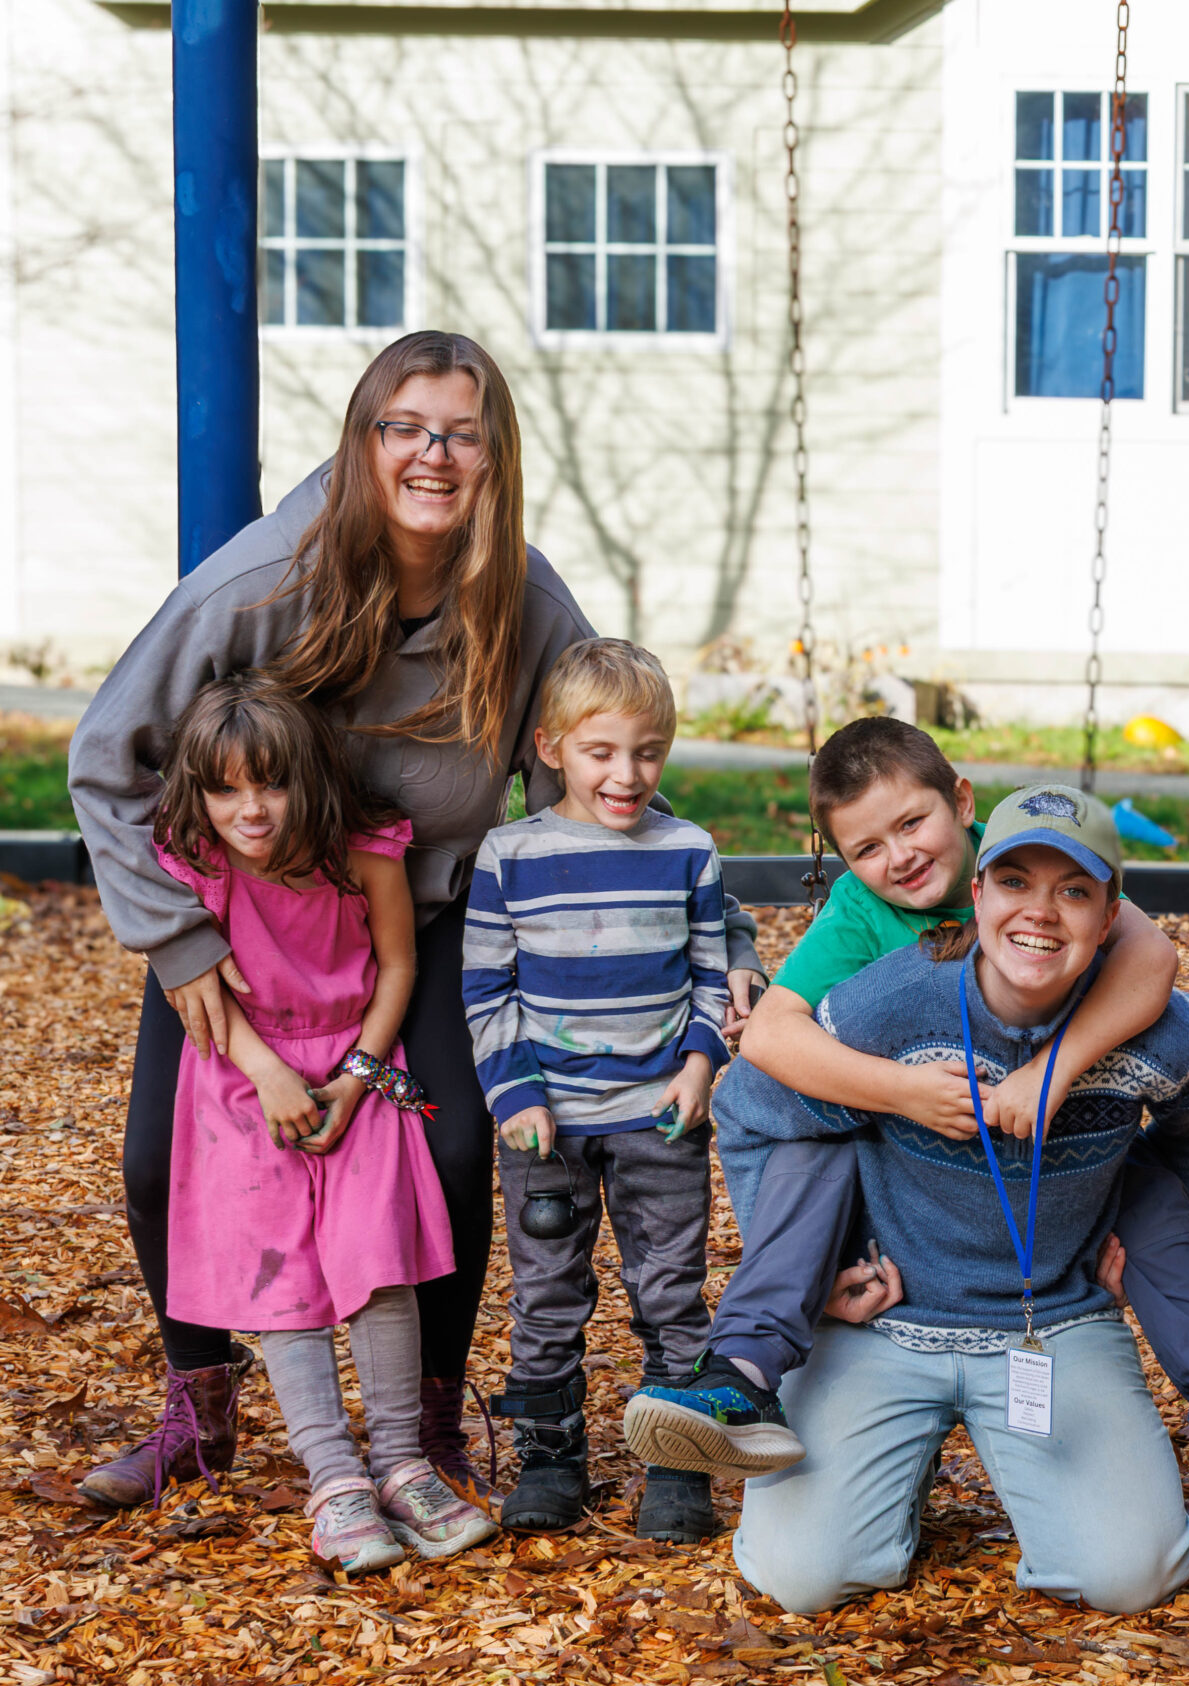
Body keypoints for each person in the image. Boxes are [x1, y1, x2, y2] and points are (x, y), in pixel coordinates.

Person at [67, 331, 761, 1512]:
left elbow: (594, 777)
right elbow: (104, 755)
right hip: (245, 923)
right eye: (405, 427)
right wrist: (176, 939)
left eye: (461, 432)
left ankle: (430, 1423)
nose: (433, 455)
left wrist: (710, 938)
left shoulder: (526, 602)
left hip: (424, 919)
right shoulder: (262, 581)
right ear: (363, 440)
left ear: (495, 456)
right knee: (156, 1161)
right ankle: (201, 1410)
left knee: (448, 1148)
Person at [620, 731, 1189, 1529]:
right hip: (897, 1183)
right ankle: (741, 1367)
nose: (901, 857)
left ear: (964, 806)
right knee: (815, 1138)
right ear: (977, 899)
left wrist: (1056, 1074)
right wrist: (901, 1093)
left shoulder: (1029, 858)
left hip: (1060, 1184)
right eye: (867, 847)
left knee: (1145, 1190)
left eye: (913, 823)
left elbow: (1152, 953)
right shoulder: (867, 933)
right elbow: (767, 1052)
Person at [729, 787, 1189, 1615]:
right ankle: (896, 1469)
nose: (1040, 912)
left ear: (1113, 915)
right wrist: (801, 1274)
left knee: (1131, 1576)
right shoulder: (889, 1002)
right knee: (801, 1576)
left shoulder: (1152, 1025)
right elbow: (749, 1101)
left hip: (1052, 1321)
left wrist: (1153, 1225)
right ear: (978, 892)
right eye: (1016, 883)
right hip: (889, 1317)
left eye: (1074, 890)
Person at [135, 676, 498, 1569]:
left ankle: (403, 1464)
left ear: (309, 778)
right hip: (241, 1074)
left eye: (270, 784)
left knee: (379, 1260)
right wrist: (268, 1078)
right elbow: (208, 1001)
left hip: (358, 1067)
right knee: (283, 1275)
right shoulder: (199, 861)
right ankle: (334, 1480)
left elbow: (398, 963)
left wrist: (358, 1077)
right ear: (199, 793)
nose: (250, 810)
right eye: (226, 790)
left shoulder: (361, 849)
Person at [463, 640, 739, 1533]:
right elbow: (487, 989)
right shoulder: (509, 856)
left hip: (660, 1116)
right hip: (549, 1123)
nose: (628, 773)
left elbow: (709, 970)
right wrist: (516, 1095)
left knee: (671, 1291)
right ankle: (552, 1457)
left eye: (649, 751)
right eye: (602, 751)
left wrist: (701, 1063)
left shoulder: (687, 850)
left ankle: (678, 1459)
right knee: (546, 1292)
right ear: (551, 747)